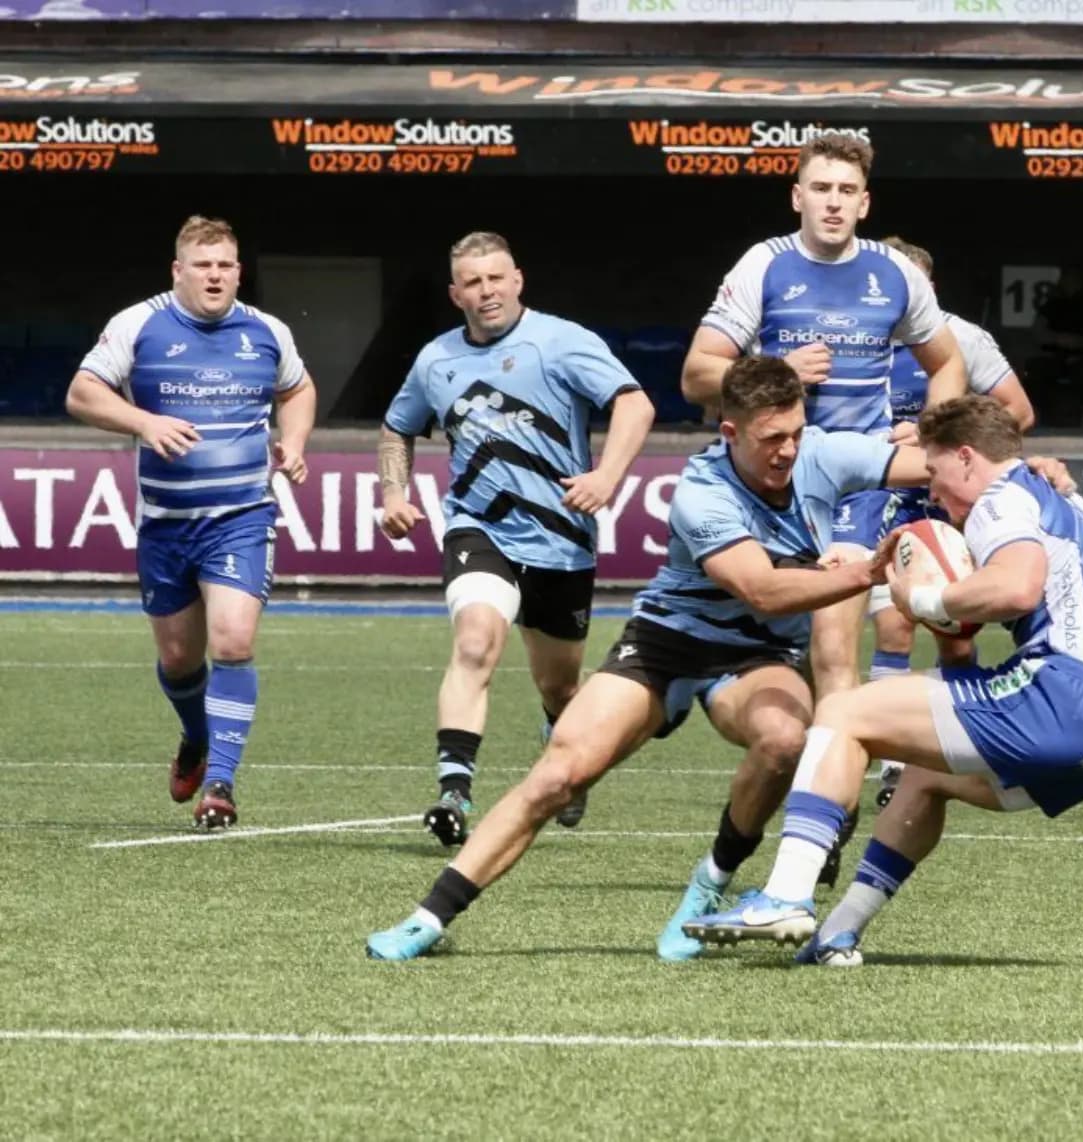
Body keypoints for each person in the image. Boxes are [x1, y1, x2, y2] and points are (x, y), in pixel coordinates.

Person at [366, 356, 937, 962]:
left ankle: (710, 883)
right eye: (773, 438)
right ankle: (429, 917)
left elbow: (940, 466)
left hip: (758, 655)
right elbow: (763, 591)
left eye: (795, 433)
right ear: (731, 433)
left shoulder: (824, 452)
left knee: (785, 740)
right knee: (560, 774)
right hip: (667, 643)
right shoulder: (701, 490)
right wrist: (867, 574)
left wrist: (1022, 473)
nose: (789, 450)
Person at [685, 394, 1083, 963]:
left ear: (968, 458)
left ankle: (785, 896)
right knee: (923, 775)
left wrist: (921, 596)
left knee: (844, 712)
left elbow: (1017, 587)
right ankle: (838, 934)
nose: (932, 492)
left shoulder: (1002, 500)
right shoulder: (1067, 502)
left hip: (1057, 699)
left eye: (935, 470)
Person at [680, 132, 968, 881]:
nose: (834, 202)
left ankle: (825, 824)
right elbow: (696, 374)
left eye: (847, 191)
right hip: (773, 484)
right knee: (788, 653)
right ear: (797, 195)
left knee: (838, 656)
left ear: (864, 202)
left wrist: (929, 431)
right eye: (822, 188)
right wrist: (770, 370)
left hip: (853, 485)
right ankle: (793, 770)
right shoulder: (764, 265)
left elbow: (950, 363)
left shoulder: (894, 274)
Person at [378, 231, 655, 847]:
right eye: (473, 283)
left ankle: (566, 752)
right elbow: (397, 429)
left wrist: (606, 475)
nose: (487, 291)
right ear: (456, 294)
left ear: (518, 280)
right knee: (476, 641)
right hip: (479, 528)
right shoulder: (436, 361)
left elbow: (635, 405)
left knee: (559, 684)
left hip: (561, 539)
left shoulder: (563, 342)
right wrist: (393, 494)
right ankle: (454, 790)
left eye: (496, 278)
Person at [64, 214, 316, 828]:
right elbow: (81, 394)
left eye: (225, 265)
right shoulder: (139, 324)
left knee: (233, 641)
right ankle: (196, 735)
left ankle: (221, 787)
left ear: (238, 271)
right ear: (178, 271)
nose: (215, 275)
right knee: (180, 659)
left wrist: (297, 442)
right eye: (202, 265)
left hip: (241, 517)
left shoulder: (266, 331)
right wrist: (145, 422)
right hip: (167, 524)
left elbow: (298, 389)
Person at [863, 235, 1037, 805]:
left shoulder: (962, 339)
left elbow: (1019, 410)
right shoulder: (850, 335)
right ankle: (890, 761)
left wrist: (939, 436)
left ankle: (961, 741)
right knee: (889, 625)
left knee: (955, 638)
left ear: (927, 290)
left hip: (943, 502)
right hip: (868, 496)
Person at [1028, 265, 1083, 427]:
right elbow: (1038, 331)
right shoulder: (1053, 304)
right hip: (1054, 355)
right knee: (1036, 368)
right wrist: (1058, 339)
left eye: (1076, 279)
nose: (1072, 283)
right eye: (1068, 279)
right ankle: (1034, 415)